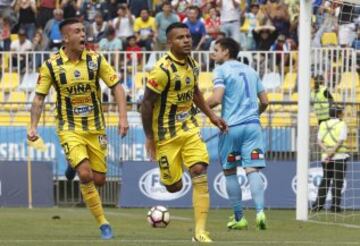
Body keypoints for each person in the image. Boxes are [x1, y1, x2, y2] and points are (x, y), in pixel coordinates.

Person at [27, 18, 129, 239]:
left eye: (84, 31)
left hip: (96, 128)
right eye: (77, 31)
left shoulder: (96, 60)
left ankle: (72, 166)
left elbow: (117, 87)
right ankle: (103, 224)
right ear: (66, 37)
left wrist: (123, 117)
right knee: (86, 175)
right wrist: (32, 126)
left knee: (99, 180)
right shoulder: (51, 66)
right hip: (69, 127)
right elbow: (39, 98)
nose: (83, 35)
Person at [141, 22, 227, 242]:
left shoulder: (192, 64)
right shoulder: (161, 71)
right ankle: (171, 177)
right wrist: (150, 138)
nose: (187, 40)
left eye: (188, 36)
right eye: (180, 38)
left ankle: (200, 231)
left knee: (199, 171)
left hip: (189, 128)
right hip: (165, 136)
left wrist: (212, 116)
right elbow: (146, 104)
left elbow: (195, 92)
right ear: (170, 43)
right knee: (173, 186)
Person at [206, 37, 269, 230]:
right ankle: (260, 212)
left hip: (230, 128)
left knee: (230, 171)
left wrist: (194, 106)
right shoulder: (251, 71)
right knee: (252, 170)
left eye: (216, 49)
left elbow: (216, 99)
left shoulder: (221, 70)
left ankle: (239, 217)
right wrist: (253, 116)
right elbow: (265, 101)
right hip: (253, 127)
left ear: (226, 52)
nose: (212, 53)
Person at [312, 105, 349, 213]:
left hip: (326, 157)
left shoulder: (323, 124)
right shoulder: (342, 124)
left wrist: (328, 152)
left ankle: (318, 205)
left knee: (325, 180)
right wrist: (332, 153)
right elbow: (340, 141)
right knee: (338, 182)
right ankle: (335, 206)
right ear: (338, 114)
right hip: (339, 156)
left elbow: (319, 140)